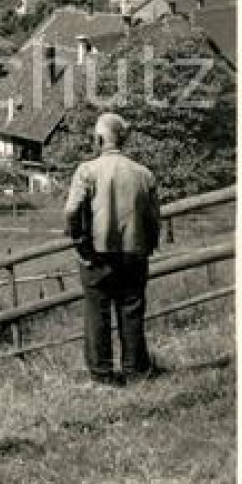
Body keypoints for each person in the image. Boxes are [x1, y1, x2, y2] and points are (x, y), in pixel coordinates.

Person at [64, 112, 163, 385]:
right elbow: (155, 218)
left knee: (97, 314)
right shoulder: (144, 174)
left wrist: (80, 243)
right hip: (134, 253)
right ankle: (135, 373)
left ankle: (102, 377)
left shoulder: (87, 171)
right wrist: (148, 244)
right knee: (131, 311)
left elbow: (72, 210)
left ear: (99, 139)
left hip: (96, 254)